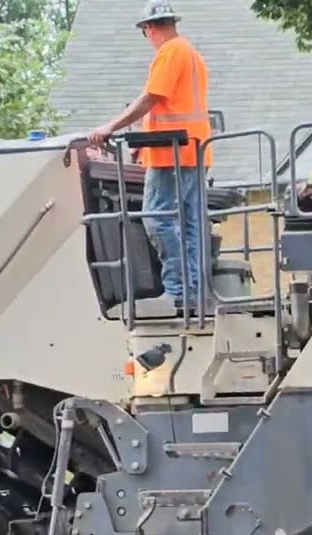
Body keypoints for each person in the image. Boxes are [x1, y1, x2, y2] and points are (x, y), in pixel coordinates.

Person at [87, 0, 212, 311]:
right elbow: (173, 106)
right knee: (189, 225)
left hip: (171, 154)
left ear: (149, 28)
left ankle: (178, 291)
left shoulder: (169, 52)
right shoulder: (190, 53)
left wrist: (110, 126)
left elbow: (152, 97)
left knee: (157, 218)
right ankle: (192, 292)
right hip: (193, 151)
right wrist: (143, 141)